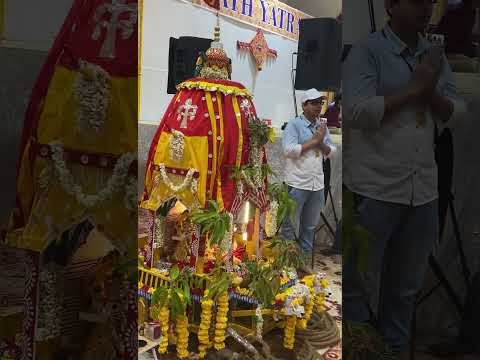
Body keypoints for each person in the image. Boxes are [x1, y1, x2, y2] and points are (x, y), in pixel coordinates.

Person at [342, 0, 466, 358]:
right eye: (416, 1)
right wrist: (414, 90)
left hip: (422, 191)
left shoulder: (433, 56)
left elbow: (457, 114)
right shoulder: (368, 52)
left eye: (430, 2)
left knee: (403, 295)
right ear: (391, 5)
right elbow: (354, 110)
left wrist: (430, 92)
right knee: (356, 292)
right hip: (374, 190)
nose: (426, 9)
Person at [281, 88, 337, 271]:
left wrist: (320, 141)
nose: (318, 107)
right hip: (297, 183)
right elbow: (288, 150)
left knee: (310, 227)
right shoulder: (293, 125)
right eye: (313, 103)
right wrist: (314, 142)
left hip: (316, 184)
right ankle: (287, 265)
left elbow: (331, 151)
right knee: (289, 225)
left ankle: (303, 264)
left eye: (320, 103)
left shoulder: (322, 126)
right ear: (304, 105)